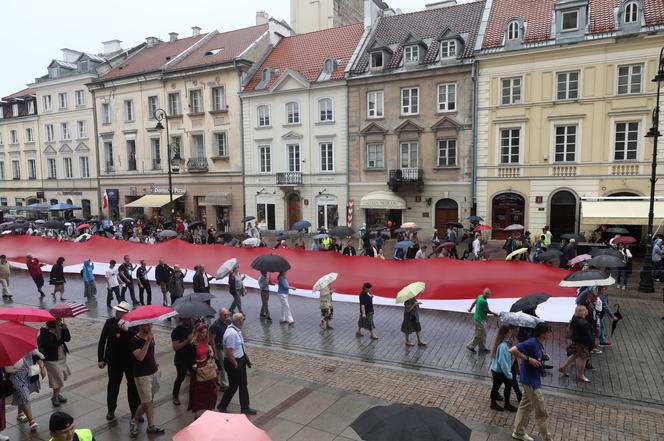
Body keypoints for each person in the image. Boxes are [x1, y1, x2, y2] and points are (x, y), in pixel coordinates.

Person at [509, 322, 554, 441]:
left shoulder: (539, 344)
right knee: (541, 412)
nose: (550, 334)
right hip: (530, 381)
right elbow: (513, 350)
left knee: (525, 406)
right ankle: (547, 438)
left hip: (532, 379)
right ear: (543, 334)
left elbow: (535, 357)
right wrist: (529, 359)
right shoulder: (532, 342)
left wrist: (543, 357)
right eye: (549, 331)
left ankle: (518, 432)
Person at [97, 301, 140, 421]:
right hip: (114, 360)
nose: (117, 312)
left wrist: (128, 330)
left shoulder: (133, 324)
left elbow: (138, 337)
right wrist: (101, 358)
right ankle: (111, 409)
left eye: (120, 311)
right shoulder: (110, 322)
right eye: (117, 310)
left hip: (130, 360)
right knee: (113, 385)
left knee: (133, 387)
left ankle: (135, 412)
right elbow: (102, 341)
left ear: (126, 313)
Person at [216, 313, 256, 415]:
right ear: (239, 321)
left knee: (240, 385)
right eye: (243, 319)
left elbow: (239, 347)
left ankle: (228, 406)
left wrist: (244, 358)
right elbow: (229, 352)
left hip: (239, 360)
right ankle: (240, 407)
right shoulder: (232, 333)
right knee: (237, 385)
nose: (244, 321)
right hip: (234, 362)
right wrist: (236, 365)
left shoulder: (235, 330)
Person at [129, 323, 164, 437]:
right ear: (140, 327)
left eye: (150, 325)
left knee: (150, 401)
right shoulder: (134, 341)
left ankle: (151, 426)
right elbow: (140, 357)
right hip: (142, 375)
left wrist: (155, 364)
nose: (149, 327)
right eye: (146, 325)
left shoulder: (151, 336)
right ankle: (134, 421)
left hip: (153, 372)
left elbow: (151, 353)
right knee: (145, 403)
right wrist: (147, 342)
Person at [4, 350, 46, 432]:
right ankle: (31, 421)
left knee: (23, 394)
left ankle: (20, 414)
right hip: (15, 376)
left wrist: (42, 368)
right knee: (24, 395)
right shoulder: (6, 349)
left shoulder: (24, 344)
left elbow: (36, 355)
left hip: (28, 373)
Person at [185, 323, 218, 417]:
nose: (204, 334)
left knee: (212, 389)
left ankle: (210, 408)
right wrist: (193, 366)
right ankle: (197, 412)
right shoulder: (192, 345)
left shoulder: (205, 342)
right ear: (197, 333)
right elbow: (188, 360)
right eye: (202, 332)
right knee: (198, 392)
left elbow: (207, 355)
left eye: (205, 332)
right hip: (198, 369)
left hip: (206, 367)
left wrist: (210, 358)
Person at [38, 318, 72, 408]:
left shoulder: (61, 327)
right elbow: (49, 346)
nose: (60, 321)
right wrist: (61, 339)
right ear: (52, 321)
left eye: (60, 320)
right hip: (51, 358)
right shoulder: (45, 331)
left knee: (61, 376)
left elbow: (68, 339)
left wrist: (66, 329)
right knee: (58, 377)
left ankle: (57, 395)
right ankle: (54, 397)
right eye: (58, 320)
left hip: (61, 356)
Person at [559, 305, 593, 382]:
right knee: (584, 358)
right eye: (585, 310)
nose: (587, 311)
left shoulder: (574, 319)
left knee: (575, 355)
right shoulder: (584, 323)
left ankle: (563, 367)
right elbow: (588, 335)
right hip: (583, 343)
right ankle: (581, 375)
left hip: (576, 341)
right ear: (582, 312)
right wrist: (592, 344)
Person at [490, 325, 518, 412]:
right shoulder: (503, 346)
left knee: (507, 386)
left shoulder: (505, 343)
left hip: (500, 371)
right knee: (496, 387)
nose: (510, 333)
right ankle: (493, 403)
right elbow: (503, 362)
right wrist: (508, 373)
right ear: (505, 334)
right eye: (509, 332)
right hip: (499, 371)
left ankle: (507, 404)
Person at [171, 317, 193, 406]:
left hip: (192, 358)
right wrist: (188, 340)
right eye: (187, 319)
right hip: (181, 359)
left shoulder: (192, 327)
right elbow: (176, 347)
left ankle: (194, 395)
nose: (189, 320)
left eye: (189, 319)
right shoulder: (176, 331)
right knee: (180, 377)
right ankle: (175, 396)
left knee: (195, 377)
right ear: (182, 319)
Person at [467, 288, 497, 353]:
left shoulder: (479, 296)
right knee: (479, 334)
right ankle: (471, 346)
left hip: (478, 318)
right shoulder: (484, 301)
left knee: (483, 334)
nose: (488, 296)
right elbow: (487, 311)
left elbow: (474, 303)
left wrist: (470, 309)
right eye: (488, 295)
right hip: (480, 320)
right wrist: (495, 314)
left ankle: (482, 347)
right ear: (487, 294)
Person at [210, 308, 231, 391]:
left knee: (225, 365)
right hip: (219, 348)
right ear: (220, 315)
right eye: (224, 314)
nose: (226, 316)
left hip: (226, 347)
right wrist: (215, 353)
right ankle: (224, 384)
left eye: (228, 314)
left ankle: (219, 379)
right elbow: (211, 339)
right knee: (222, 366)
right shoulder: (216, 325)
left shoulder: (228, 322)